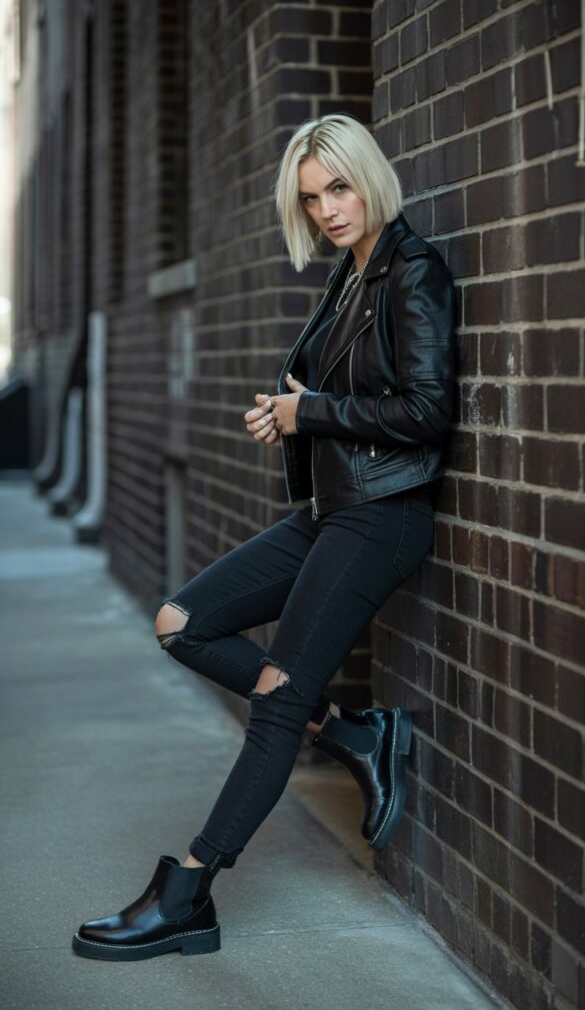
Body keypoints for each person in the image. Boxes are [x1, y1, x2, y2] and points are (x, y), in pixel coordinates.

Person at [72, 113, 456, 962]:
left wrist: (308, 409)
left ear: (370, 179)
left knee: (276, 692)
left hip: (383, 515)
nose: (328, 209)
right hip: (329, 511)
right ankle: (354, 733)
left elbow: (430, 415)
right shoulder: (348, 278)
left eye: (340, 188)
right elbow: (348, 396)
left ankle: (189, 893)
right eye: (313, 197)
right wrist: (289, 414)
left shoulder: (411, 272)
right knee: (182, 622)